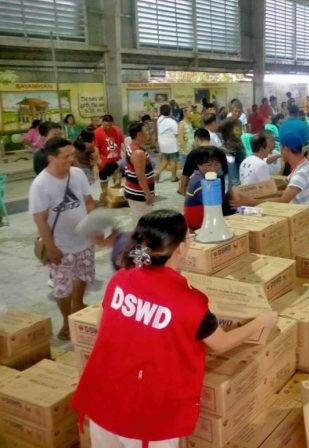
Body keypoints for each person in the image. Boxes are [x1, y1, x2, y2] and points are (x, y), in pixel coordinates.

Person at [71, 209, 278, 447]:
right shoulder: (190, 302)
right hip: (146, 420)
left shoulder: (121, 279)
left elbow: (102, 326)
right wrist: (261, 322)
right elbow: (221, 344)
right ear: (180, 247)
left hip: (104, 401)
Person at [29, 137, 95, 340]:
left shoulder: (77, 175)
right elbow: (40, 220)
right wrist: (51, 248)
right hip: (61, 245)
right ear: (51, 158)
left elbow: (89, 202)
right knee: (62, 286)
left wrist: (94, 228)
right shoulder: (40, 185)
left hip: (84, 241)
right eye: (65, 156)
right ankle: (67, 321)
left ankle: (78, 304)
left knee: (83, 276)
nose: (71, 159)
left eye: (72, 155)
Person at [233, 132, 309, 234]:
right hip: (308, 222)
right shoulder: (301, 166)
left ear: (285, 150)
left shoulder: (301, 172)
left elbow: (283, 200)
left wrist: (250, 202)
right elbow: (282, 189)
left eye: (280, 148)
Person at [184, 149, 224, 231]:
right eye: (208, 165)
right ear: (199, 165)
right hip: (199, 225)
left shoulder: (200, 177)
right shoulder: (200, 182)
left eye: (216, 164)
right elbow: (213, 204)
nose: (213, 168)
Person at [124, 122, 155, 226]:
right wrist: (148, 194)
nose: (148, 133)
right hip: (139, 193)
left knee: (139, 220)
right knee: (142, 223)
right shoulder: (138, 152)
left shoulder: (132, 146)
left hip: (135, 191)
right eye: (145, 131)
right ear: (139, 134)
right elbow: (140, 176)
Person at [94, 114, 125, 200]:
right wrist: (98, 158)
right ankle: (104, 195)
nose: (108, 127)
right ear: (102, 123)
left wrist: (125, 153)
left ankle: (117, 196)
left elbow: (121, 142)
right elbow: (96, 146)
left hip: (116, 159)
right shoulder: (97, 132)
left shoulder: (117, 130)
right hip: (104, 160)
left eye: (110, 125)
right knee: (104, 180)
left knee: (118, 179)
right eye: (106, 125)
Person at [155, 104, 180, 183]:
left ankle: (158, 173)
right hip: (171, 144)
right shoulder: (172, 122)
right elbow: (176, 133)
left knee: (165, 160)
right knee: (173, 160)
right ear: (169, 112)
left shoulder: (159, 119)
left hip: (162, 144)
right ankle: (173, 177)